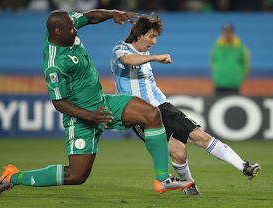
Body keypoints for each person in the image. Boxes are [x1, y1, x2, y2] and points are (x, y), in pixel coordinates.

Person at [0, 10, 194, 195]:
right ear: (58, 32)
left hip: (102, 103)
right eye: (71, 29)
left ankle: (162, 178)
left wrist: (113, 14)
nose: (75, 29)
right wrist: (92, 116)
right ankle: (13, 177)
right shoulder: (54, 65)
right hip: (81, 118)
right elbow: (59, 103)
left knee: (151, 114)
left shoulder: (67, 25)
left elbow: (89, 16)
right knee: (76, 175)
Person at [110, 13, 261, 196]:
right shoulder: (121, 48)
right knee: (179, 152)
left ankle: (243, 166)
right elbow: (128, 60)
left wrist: (151, 57)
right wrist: (156, 58)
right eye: (152, 36)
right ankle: (189, 186)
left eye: (156, 37)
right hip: (141, 115)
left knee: (201, 136)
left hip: (163, 106)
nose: (154, 41)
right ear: (139, 34)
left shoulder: (146, 53)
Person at [210, 23, 250, 95]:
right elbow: (213, 62)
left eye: (229, 32)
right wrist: (218, 73)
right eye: (225, 32)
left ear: (233, 33)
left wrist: (238, 77)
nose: (227, 34)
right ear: (222, 33)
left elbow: (245, 65)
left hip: (234, 83)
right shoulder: (216, 47)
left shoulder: (241, 48)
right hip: (219, 82)